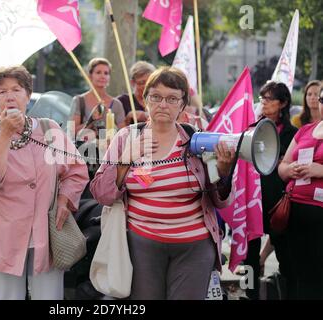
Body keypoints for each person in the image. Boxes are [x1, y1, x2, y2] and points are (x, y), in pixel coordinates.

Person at [90, 67, 235, 300]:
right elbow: (101, 194)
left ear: (182, 104)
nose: (163, 104)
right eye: (156, 97)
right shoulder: (127, 137)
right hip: (141, 245)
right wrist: (125, 159)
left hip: (194, 246)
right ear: (145, 100)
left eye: (172, 98)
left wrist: (223, 173)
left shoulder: (197, 140)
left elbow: (221, 200)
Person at [0, 66, 89, 300]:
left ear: (28, 95)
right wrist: (4, 136)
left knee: (49, 297)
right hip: (2, 235)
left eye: (16, 89)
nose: (9, 96)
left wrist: (64, 200)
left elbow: (75, 170)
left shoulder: (48, 128)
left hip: (46, 233)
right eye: (1, 92)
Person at [243, 81, 298, 300]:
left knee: (286, 255)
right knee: (250, 257)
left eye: (269, 99)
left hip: (279, 204)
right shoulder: (251, 129)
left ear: (283, 103)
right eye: (261, 98)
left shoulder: (293, 134)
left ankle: (290, 293)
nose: (263, 103)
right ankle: (250, 294)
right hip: (253, 200)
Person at [278, 86, 323, 299]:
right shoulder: (305, 130)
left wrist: (319, 170)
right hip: (295, 211)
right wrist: (290, 169)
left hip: (319, 214)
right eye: (321, 100)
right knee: (298, 274)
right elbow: (283, 165)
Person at [71, 57, 125, 135]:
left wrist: (109, 119)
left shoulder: (117, 104)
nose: (103, 76)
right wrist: (91, 120)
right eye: (98, 72)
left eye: (106, 73)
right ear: (90, 76)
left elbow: (123, 134)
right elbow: (71, 132)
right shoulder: (78, 101)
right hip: (86, 146)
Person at [116, 61, 155, 125]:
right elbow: (113, 129)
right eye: (142, 82)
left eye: (150, 82)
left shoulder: (159, 101)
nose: (146, 86)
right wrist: (129, 117)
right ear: (132, 83)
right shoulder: (122, 101)